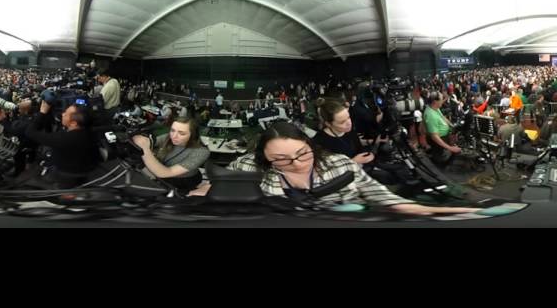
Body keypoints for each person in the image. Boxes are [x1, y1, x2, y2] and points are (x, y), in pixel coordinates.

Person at [190, 122, 478, 216]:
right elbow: (215, 177)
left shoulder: (340, 164)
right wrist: (205, 189)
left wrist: (434, 212)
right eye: (281, 160)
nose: (297, 163)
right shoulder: (250, 164)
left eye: (302, 153)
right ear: (265, 159)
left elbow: (383, 198)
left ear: (310, 145)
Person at [25, 100, 99, 188]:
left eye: (66, 114)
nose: (62, 114)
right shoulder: (90, 131)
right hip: (84, 170)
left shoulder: (62, 139)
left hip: (66, 176)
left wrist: (42, 112)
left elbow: (30, 132)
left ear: (73, 123)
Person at [132, 117, 210, 193]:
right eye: (172, 130)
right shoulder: (168, 137)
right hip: (162, 177)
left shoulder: (201, 152)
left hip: (183, 182)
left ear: (193, 135)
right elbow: (151, 142)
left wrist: (145, 149)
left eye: (181, 133)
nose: (174, 136)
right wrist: (142, 140)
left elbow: (165, 173)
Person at [423, 91, 461, 168]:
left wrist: (452, 126)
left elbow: (442, 117)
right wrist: (451, 148)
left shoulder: (435, 108)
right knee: (439, 162)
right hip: (438, 141)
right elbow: (434, 137)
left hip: (444, 137)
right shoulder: (431, 115)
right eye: (441, 99)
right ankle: (441, 168)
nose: (443, 101)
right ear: (435, 101)